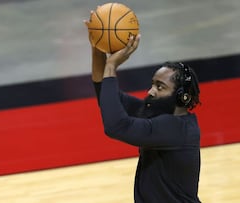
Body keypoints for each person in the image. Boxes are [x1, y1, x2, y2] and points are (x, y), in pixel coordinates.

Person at [85, 22, 202, 202]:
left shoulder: (178, 129)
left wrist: (111, 67)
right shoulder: (159, 115)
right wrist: (97, 46)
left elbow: (116, 127)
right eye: (153, 84)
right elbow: (106, 95)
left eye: (160, 87)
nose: (150, 91)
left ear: (182, 97)